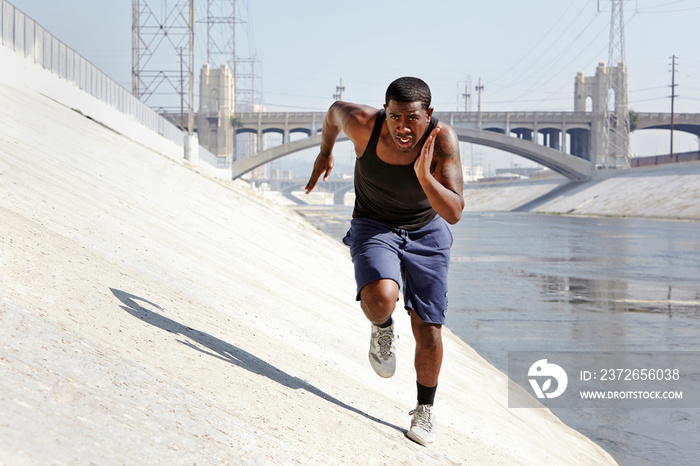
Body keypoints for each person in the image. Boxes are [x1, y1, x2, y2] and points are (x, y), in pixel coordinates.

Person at [305, 77, 464, 446]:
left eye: (411, 118)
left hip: (427, 231)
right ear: (384, 111)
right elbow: (332, 113)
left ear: (429, 115)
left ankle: (424, 410)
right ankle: (382, 327)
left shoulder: (442, 141)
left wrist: (424, 177)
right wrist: (325, 151)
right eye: (394, 117)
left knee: (428, 329)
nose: (402, 128)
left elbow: (454, 211)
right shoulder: (362, 123)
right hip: (374, 223)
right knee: (380, 298)